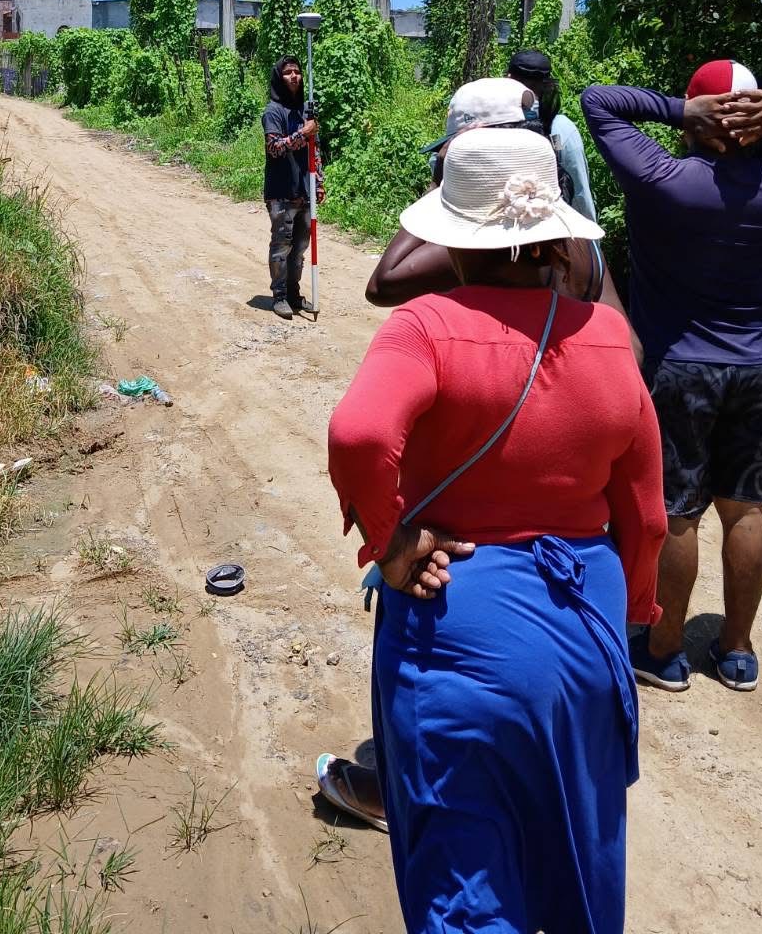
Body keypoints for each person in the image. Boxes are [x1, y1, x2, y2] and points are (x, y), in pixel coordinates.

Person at [327, 129, 666, 934]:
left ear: (452, 240)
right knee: (579, 865)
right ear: (556, 238)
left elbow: (359, 435)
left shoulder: (424, 324)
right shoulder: (608, 336)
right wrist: (629, 614)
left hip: (456, 622)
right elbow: (648, 516)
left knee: (467, 884)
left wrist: (391, 546)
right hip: (585, 636)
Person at [581, 61, 762, 694]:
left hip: (678, 370)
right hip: (758, 368)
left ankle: (665, 650)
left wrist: (676, 109)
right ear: (753, 121)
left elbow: (599, 100)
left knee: (678, 513)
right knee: (745, 509)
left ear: (697, 117)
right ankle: (737, 651)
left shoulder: (663, 179)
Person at [366, 78, 636, 353]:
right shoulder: (584, 243)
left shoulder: (480, 244)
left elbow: (381, 285)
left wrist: (441, 186)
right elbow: (631, 348)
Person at [508, 48, 598, 221]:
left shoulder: (490, 124)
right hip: (552, 225)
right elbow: (578, 187)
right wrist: (589, 229)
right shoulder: (559, 129)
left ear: (508, 79)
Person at [261, 56, 320, 319]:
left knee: (300, 247)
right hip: (281, 190)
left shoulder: (306, 112)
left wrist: (319, 183)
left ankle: (294, 294)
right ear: (279, 77)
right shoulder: (272, 111)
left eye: (297, 71)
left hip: (304, 190)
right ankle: (280, 296)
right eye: (288, 73)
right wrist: (302, 133)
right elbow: (274, 148)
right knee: (281, 246)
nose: (294, 76)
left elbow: (314, 150)